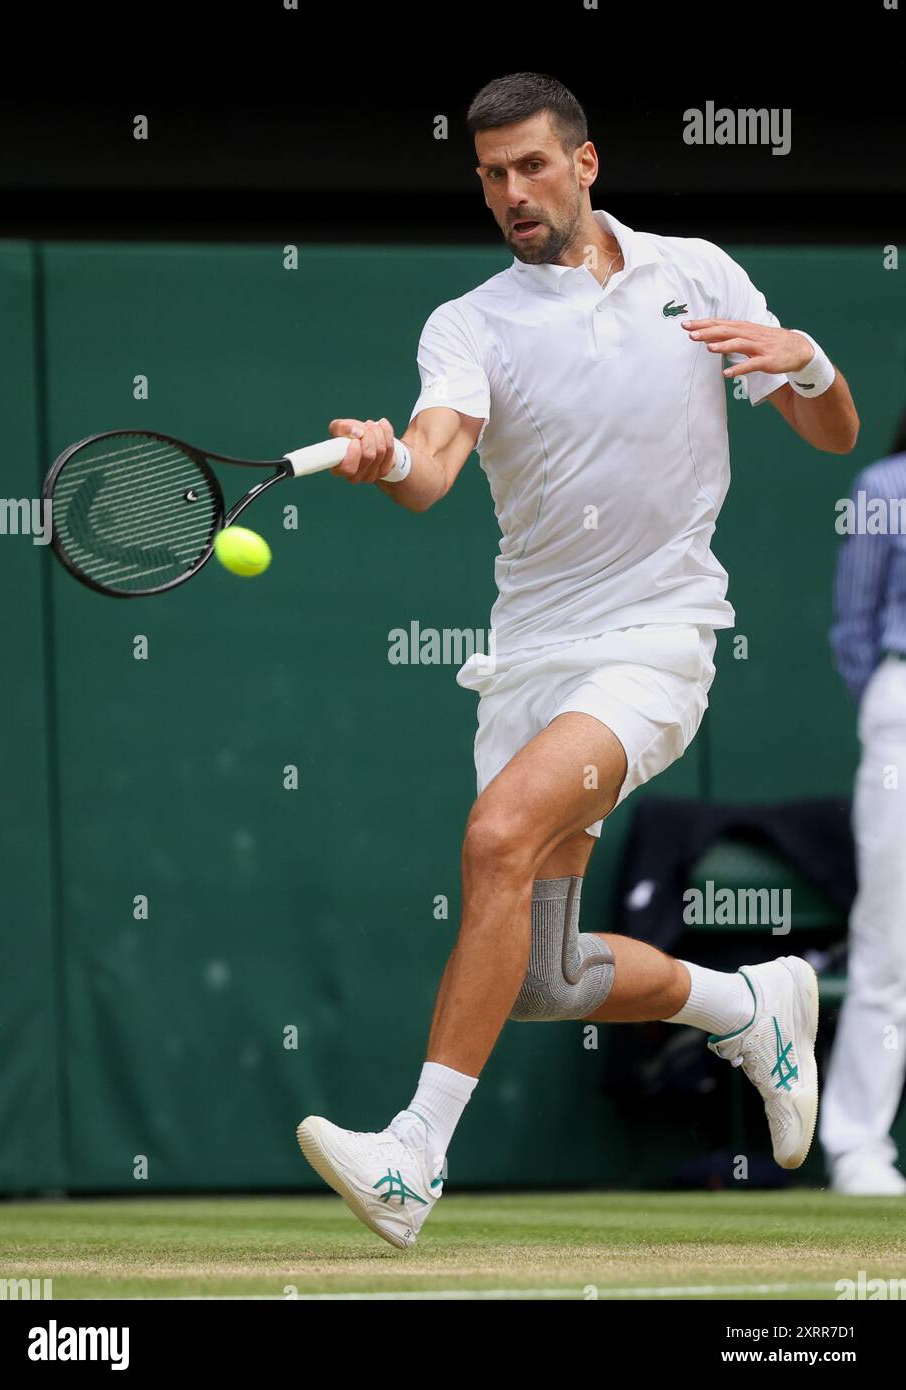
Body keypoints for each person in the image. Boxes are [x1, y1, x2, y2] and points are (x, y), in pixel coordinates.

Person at [297, 72, 860, 1246]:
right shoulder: (470, 323)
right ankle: (749, 1001)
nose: (511, 192)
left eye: (531, 166)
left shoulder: (695, 273)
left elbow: (830, 429)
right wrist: (382, 456)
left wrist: (804, 359)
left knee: (497, 835)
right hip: (531, 663)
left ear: (585, 162)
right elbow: (434, 467)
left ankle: (411, 1160)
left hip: (654, 644)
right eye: (491, 174)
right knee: (546, 976)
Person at [820, 405, 906, 1196]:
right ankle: (857, 1146)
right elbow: (854, 627)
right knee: (889, 934)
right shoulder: (884, 486)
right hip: (900, 704)